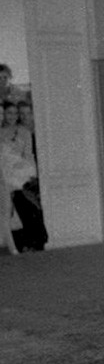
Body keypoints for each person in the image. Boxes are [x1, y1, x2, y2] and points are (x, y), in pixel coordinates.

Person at [0, 100, 46, 252]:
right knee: (12, 212)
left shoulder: (23, 132)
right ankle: (20, 244)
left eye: (15, 113)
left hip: (23, 175)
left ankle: (37, 242)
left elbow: (29, 155)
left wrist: (32, 175)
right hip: (5, 176)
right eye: (9, 113)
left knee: (30, 207)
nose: (12, 116)